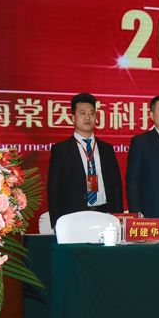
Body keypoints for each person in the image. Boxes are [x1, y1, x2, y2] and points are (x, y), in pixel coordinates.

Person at [48, 92, 123, 226]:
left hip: (105, 215)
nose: (88, 117)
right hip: (73, 217)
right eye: (82, 113)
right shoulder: (61, 150)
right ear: (73, 118)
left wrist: (119, 218)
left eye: (91, 113)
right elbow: (53, 189)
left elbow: (116, 186)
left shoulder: (107, 149)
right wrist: (56, 223)